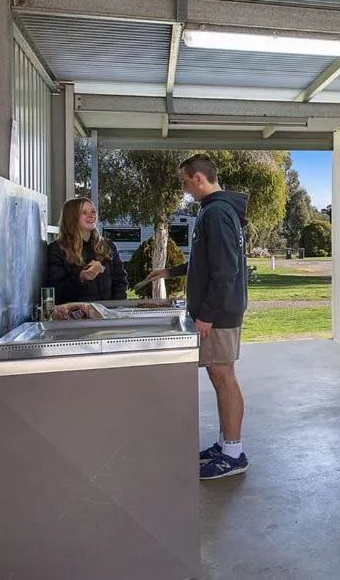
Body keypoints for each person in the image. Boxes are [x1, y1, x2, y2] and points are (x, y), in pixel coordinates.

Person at [146, 154, 250, 480]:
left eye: (185, 182)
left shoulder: (217, 212)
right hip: (217, 311)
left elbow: (226, 270)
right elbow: (206, 262)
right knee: (220, 377)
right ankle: (224, 444)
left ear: (200, 179)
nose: (184, 188)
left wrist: (206, 315)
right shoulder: (214, 210)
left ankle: (233, 453)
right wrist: (170, 270)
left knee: (224, 377)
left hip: (219, 313)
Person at [45, 198, 127, 304]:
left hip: (107, 316)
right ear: (71, 218)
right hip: (75, 317)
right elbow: (55, 291)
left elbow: (120, 281)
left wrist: (116, 308)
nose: (91, 215)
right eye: (84, 212)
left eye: (93, 211)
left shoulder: (108, 246)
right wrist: (81, 278)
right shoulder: (56, 249)